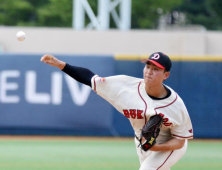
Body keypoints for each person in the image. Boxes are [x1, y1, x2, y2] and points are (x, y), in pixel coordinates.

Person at [41, 52, 193, 170]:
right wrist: (61, 65)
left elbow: (180, 142)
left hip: (169, 144)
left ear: (166, 75)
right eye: (147, 66)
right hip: (142, 141)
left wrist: (156, 147)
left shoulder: (175, 105)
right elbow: (90, 78)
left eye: (155, 69)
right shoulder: (125, 87)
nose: (149, 72)